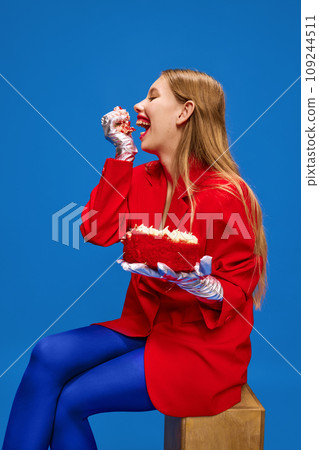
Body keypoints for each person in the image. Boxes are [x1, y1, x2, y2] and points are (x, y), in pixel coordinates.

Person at [2, 68, 267, 449]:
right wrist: (122, 156)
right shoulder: (142, 178)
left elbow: (240, 288)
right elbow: (97, 230)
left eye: (153, 97)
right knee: (47, 354)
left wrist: (205, 287)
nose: (139, 106)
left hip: (200, 350)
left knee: (69, 402)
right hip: (144, 327)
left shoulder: (228, 194)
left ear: (184, 112)